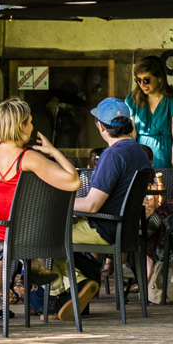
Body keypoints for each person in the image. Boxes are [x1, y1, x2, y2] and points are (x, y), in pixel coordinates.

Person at [0, 98, 81, 327]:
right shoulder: (30, 158)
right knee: (6, 244)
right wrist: (53, 151)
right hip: (21, 235)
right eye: (30, 122)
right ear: (21, 126)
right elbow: (73, 181)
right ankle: (30, 264)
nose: (32, 127)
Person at [64, 99, 154, 320]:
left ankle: (80, 284)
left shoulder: (113, 154)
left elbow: (92, 205)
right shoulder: (139, 151)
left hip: (103, 228)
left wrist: (59, 203)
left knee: (45, 235)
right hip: (123, 229)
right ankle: (76, 289)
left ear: (101, 128)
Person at [128, 56, 173, 171]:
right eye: (138, 80)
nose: (142, 84)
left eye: (146, 80)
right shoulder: (133, 99)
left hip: (165, 154)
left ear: (159, 78)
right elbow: (131, 131)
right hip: (140, 152)